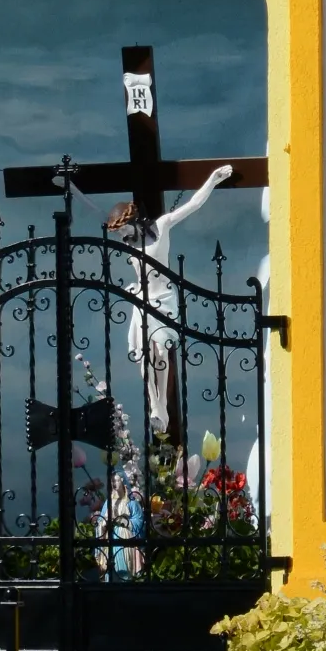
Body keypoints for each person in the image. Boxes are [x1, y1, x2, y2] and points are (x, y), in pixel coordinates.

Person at [104, 162, 234, 457]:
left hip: (163, 300)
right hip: (142, 301)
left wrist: (212, 180)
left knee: (162, 353)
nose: (122, 235)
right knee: (141, 355)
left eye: (123, 228)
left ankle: (162, 403)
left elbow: (191, 205)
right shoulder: (130, 245)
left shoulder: (160, 228)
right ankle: (156, 405)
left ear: (134, 219)